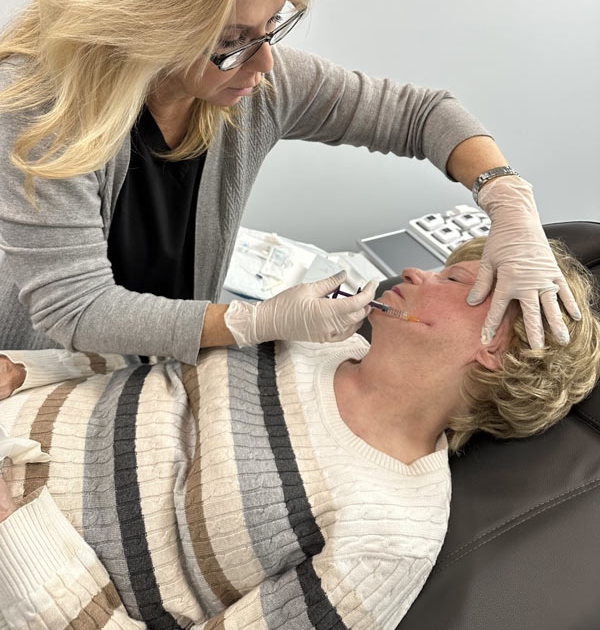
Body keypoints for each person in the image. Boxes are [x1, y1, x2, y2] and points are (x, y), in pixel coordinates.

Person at [0, 0, 580, 367]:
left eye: (272, 26)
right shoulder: (33, 104)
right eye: (229, 41)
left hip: (169, 367)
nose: (264, 64)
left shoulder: (257, 86)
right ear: (137, 24)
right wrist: (256, 320)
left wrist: (507, 196)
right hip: (46, 368)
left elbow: (421, 115)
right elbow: (75, 308)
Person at [0, 237, 598, 630]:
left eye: (453, 278)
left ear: (497, 345)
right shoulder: (315, 336)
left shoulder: (388, 537)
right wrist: (27, 368)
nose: (417, 270)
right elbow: (146, 368)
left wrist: (17, 530)